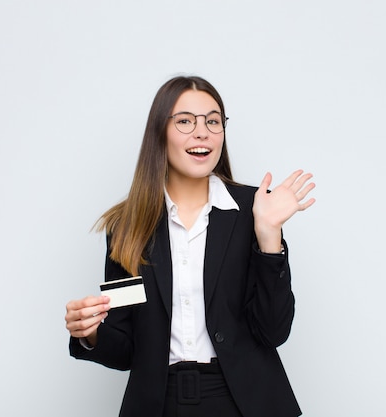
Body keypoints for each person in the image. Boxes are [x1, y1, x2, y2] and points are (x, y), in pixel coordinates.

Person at [65, 75, 315, 417]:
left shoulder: (254, 210)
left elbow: (273, 330)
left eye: (213, 121)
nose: (202, 132)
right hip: (159, 403)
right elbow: (125, 350)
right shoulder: (128, 226)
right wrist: (91, 333)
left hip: (244, 402)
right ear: (159, 132)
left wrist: (269, 234)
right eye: (185, 121)